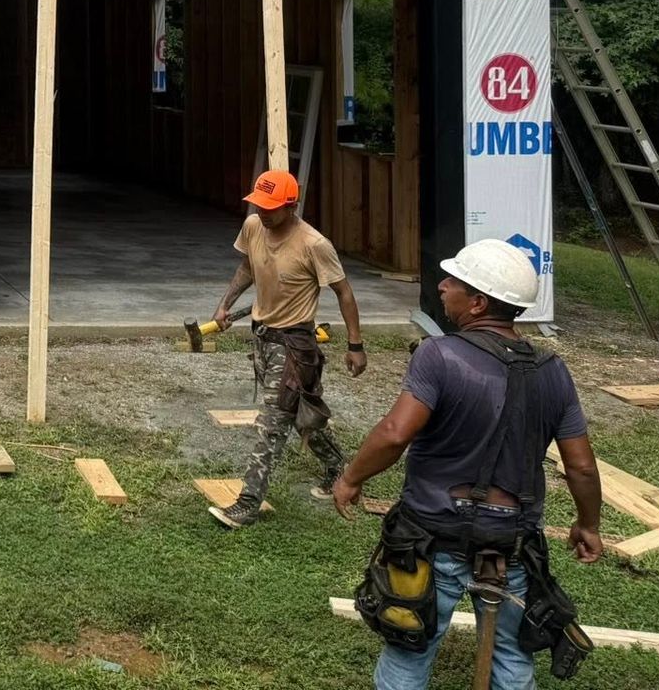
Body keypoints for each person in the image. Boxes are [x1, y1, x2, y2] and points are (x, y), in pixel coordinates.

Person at [333, 240, 602, 690]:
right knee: (512, 661)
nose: (442, 287)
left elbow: (395, 433)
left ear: (477, 303)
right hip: (512, 540)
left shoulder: (440, 356)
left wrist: (350, 478)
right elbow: (581, 467)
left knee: (409, 644)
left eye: (454, 282)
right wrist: (588, 524)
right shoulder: (553, 370)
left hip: (433, 536)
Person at [207, 168, 368, 529]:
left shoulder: (314, 245)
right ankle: (341, 469)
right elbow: (248, 265)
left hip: (295, 346)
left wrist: (355, 345)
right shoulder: (253, 227)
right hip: (263, 338)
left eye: (271, 207)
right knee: (301, 417)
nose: (263, 212)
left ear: (291, 205)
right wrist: (225, 304)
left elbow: (344, 292)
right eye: (259, 205)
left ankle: (247, 505)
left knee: (272, 424)